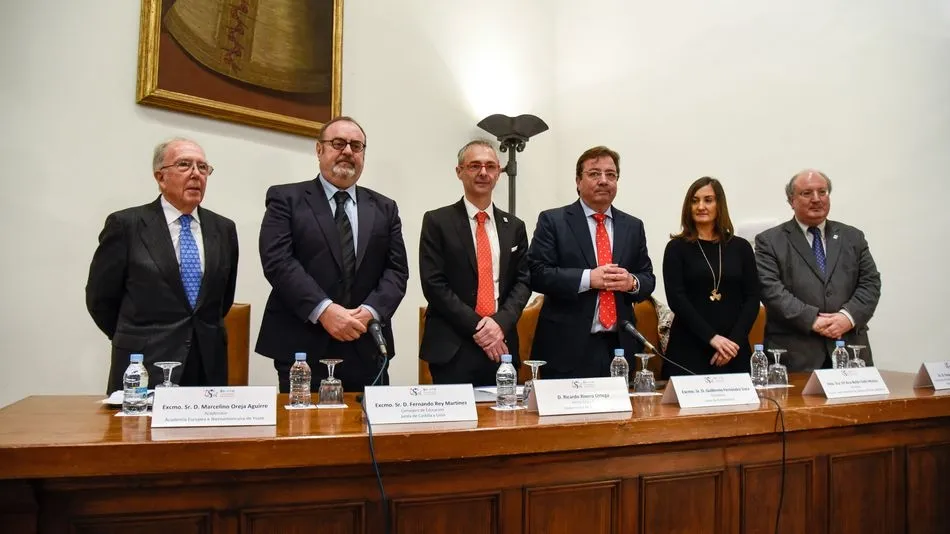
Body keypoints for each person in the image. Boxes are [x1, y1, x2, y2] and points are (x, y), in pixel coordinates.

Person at [256, 116, 408, 392]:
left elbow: (396, 271)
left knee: (368, 421)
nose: (348, 151)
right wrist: (324, 310)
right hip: (302, 348)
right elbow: (278, 262)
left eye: (356, 146)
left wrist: (370, 312)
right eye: (338, 143)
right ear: (319, 149)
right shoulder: (286, 199)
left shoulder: (385, 208)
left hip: (366, 345)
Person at [86, 138, 238, 393]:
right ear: (160, 177)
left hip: (206, 365)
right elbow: (100, 299)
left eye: (203, 167)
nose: (196, 174)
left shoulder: (223, 229)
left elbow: (223, 299)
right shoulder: (127, 225)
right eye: (184, 165)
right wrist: (134, 338)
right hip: (144, 363)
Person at [527, 146, 656, 379]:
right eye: (595, 173)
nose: (603, 180)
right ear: (578, 181)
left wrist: (631, 282)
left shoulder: (633, 226)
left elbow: (647, 278)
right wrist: (588, 278)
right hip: (565, 347)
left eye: (611, 174)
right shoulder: (553, 221)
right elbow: (537, 273)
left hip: (619, 347)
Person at [419, 140, 531, 386]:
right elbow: (434, 284)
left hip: (501, 345)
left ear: (498, 173)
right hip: (453, 347)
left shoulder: (514, 226)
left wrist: (499, 324)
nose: (483, 172)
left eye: (490, 166)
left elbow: (523, 282)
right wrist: (481, 328)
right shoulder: (437, 221)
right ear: (459, 171)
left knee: (505, 410)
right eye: (474, 166)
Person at [755, 169, 881, 371]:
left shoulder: (853, 237)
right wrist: (811, 319)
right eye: (807, 193)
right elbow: (770, 289)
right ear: (791, 200)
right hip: (795, 355)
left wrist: (847, 318)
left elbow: (870, 283)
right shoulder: (769, 241)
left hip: (850, 349)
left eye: (822, 192)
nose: (816, 199)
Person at [662, 177, 760, 378]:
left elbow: (752, 298)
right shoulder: (676, 248)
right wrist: (712, 338)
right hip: (689, 347)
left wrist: (733, 342)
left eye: (708, 200)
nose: (701, 206)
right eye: (694, 201)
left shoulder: (741, 247)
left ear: (719, 204)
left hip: (733, 348)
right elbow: (676, 299)